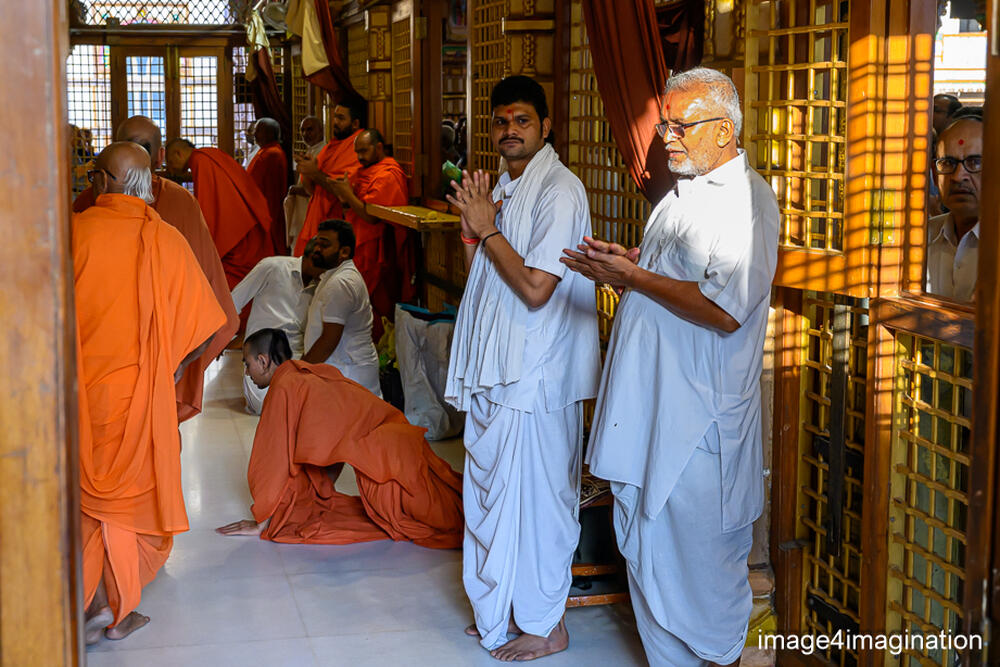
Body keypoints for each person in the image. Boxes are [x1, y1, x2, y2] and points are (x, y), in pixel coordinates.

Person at [562, 67, 779, 667]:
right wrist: (626, 264)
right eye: (665, 125)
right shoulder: (679, 195)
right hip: (651, 413)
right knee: (648, 551)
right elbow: (669, 279)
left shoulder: (748, 201)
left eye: (681, 125)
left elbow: (726, 309)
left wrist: (633, 276)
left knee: (701, 570)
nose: (667, 138)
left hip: (697, 424)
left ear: (724, 130)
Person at [444, 75, 600, 661]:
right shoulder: (506, 189)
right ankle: (503, 605)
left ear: (546, 126)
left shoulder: (560, 190)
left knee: (539, 502)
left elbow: (536, 289)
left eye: (522, 121)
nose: (510, 131)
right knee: (491, 497)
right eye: (501, 121)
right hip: (498, 367)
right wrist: (472, 232)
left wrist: (486, 227)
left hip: (538, 377)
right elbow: (484, 279)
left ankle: (547, 623)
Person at [76, 142, 227, 643]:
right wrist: (169, 365)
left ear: (104, 182)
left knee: (88, 500)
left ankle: (95, 600)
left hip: (81, 396)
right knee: (126, 502)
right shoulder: (164, 239)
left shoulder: (75, 234)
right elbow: (207, 322)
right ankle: (115, 607)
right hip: (140, 397)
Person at [215, 328, 464, 548]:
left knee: (444, 519)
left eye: (247, 364)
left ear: (263, 360)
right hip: (396, 443)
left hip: (388, 459)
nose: (246, 372)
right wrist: (314, 495)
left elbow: (274, 462)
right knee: (450, 506)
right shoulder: (299, 376)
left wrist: (263, 521)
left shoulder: (284, 388)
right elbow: (327, 445)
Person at [73, 115, 240, 422]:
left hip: (90, 378)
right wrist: (179, 364)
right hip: (154, 370)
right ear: (160, 156)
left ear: (101, 179)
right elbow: (210, 311)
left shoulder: (79, 222)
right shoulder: (168, 232)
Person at [327, 128, 412, 336]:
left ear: (379, 147)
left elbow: (372, 216)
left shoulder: (388, 174)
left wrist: (348, 195)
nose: (360, 157)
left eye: (364, 151)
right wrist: (345, 197)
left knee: (377, 303)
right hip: (359, 243)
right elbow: (355, 206)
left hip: (379, 250)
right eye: (357, 152)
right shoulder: (365, 171)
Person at [165, 138, 275, 291]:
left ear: (178, 153)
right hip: (245, 220)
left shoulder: (199, 160)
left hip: (235, 232)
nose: (171, 170)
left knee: (226, 281)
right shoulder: (210, 154)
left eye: (170, 163)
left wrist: (203, 240)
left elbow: (207, 205)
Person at [231, 238, 326, 414]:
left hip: (298, 355)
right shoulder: (272, 267)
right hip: (262, 355)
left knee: (308, 406)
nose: (324, 273)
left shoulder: (323, 284)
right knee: (267, 406)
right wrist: (221, 339)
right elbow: (233, 303)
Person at [302, 219, 383, 398]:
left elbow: (329, 340)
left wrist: (302, 370)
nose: (317, 249)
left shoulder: (341, 283)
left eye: (324, 245)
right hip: (342, 368)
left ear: (344, 252)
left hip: (349, 371)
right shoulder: (334, 277)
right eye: (317, 243)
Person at [292, 97, 366, 256]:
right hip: (316, 217)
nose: (335, 122)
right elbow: (311, 190)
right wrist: (307, 171)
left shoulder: (357, 147)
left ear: (355, 123)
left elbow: (343, 190)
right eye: (334, 117)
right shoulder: (332, 146)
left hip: (336, 225)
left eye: (341, 118)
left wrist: (314, 173)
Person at [927, 116, 982, 301]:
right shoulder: (921, 237)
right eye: (948, 163)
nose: (958, 176)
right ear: (935, 175)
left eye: (975, 162)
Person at [246, 117, 290, 254]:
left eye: (258, 131)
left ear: (270, 134)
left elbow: (258, 185)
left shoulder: (272, 154)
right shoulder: (265, 151)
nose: (254, 134)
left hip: (267, 209)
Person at [284, 115, 326, 249]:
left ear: (321, 130)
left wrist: (294, 189)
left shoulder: (323, 152)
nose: (305, 134)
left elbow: (317, 188)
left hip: (314, 209)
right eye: (302, 130)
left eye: (310, 129)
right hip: (302, 210)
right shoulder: (311, 150)